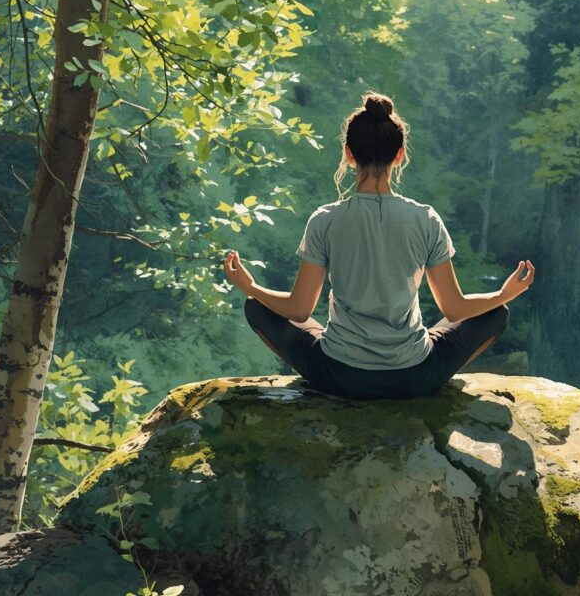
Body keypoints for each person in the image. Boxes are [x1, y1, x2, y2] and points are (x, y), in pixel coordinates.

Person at [223, 91, 535, 399]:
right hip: (413, 377)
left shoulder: (325, 220)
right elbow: (454, 309)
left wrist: (251, 287)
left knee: (256, 307)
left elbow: (299, 309)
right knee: (496, 313)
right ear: (399, 155)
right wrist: (503, 294)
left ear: (349, 154)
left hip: (338, 374)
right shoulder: (425, 219)